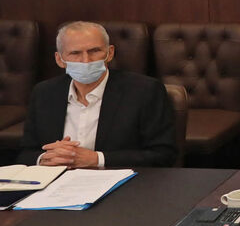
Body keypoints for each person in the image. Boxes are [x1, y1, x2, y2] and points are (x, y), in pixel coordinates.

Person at [18, 21, 177, 168]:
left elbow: (164, 155)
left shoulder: (145, 91)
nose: (86, 60)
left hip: (119, 185)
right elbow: (25, 153)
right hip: (58, 185)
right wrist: (45, 158)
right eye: (75, 53)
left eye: (94, 51)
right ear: (60, 59)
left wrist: (97, 159)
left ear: (109, 53)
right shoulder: (44, 93)